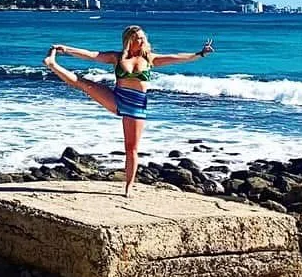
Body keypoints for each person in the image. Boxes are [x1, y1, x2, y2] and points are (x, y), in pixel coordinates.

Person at [44, 25, 214, 197]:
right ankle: (52, 64)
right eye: (137, 38)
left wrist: (199, 54)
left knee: (131, 148)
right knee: (84, 84)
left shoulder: (149, 59)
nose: (141, 41)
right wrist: (66, 49)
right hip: (117, 98)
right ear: (129, 40)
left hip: (136, 106)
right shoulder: (117, 57)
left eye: (142, 38)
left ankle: (129, 186)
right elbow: (92, 54)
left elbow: (177, 58)